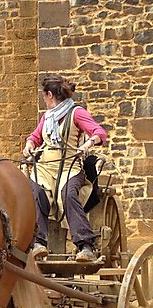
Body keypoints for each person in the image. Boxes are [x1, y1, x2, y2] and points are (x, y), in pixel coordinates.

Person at [22, 74, 108, 262]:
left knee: (68, 195)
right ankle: (38, 243)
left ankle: (85, 245)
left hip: (70, 166)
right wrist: (29, 144)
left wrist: (88, 144)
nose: (44, 100)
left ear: (50, 95)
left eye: (44, 96)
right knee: (35, 193)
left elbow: (99, 132)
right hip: (45, 166)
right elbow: (35, 137)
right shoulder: (47, 117)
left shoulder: (76, 112)